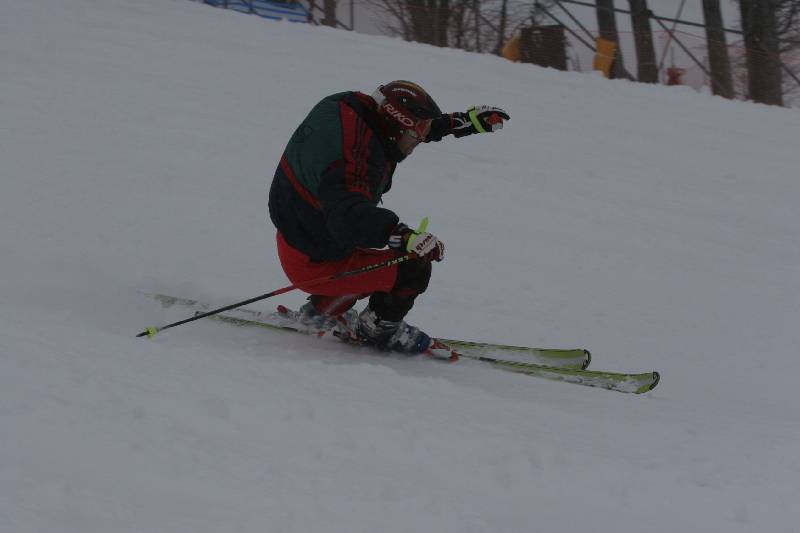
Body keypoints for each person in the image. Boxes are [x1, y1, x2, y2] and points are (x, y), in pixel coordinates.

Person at [268, 81, 509, 353]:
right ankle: (378, 331)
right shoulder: (355, 159)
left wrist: (461, 123)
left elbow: (404, 130)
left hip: (301, 236)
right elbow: (348, 217)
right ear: (397, 125)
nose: (419, 140)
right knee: (413, 266)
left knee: (368, 243)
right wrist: (400, 235)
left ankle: (321, 312)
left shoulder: (354, 110)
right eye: (416, 133)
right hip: (314, 261)